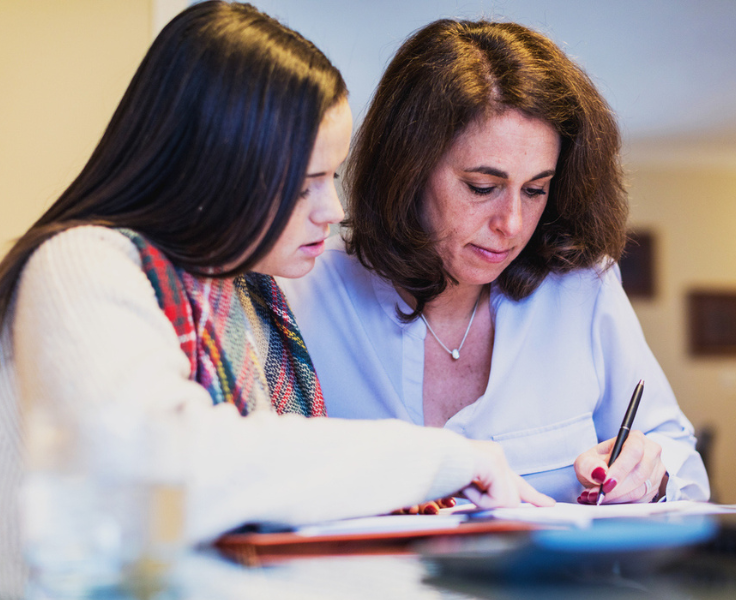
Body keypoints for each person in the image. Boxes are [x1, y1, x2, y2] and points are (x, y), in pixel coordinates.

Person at [0, 5, 551, 597]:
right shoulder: (82, 264)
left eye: (332, 177)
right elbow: (159, 473)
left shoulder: (251, 297)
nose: (332, 210)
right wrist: (441, 458)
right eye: (305, 184)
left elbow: (272, 504)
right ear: (215, 168)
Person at [281, 19, 710, 506]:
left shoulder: (582, 289)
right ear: (408, 170)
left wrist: (649, 473)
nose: (512, 223)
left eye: (535, 189)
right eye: (482, 188)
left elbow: (681, 461)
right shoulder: (303, 288)